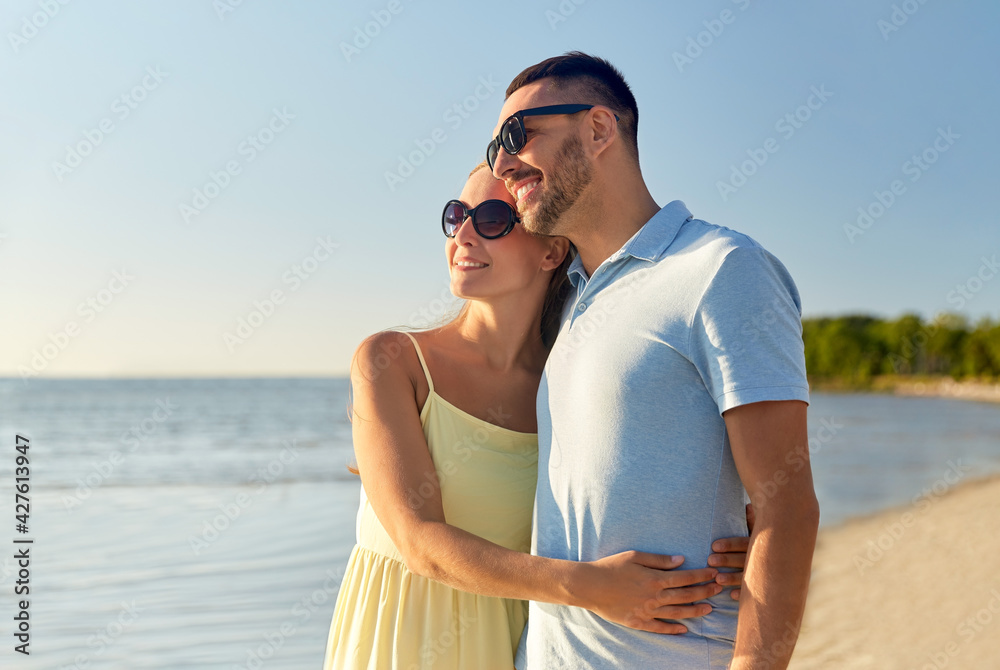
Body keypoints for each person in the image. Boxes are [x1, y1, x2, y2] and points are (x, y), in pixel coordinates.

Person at [322, 162, 753, 670]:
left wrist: (734, 538)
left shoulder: (571, 383)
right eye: (457, 215)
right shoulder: (390, 362)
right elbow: (421, 545)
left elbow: (637, 479)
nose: (462, 234)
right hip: (401, 642)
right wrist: (595, 588)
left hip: (523, 648)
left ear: (552, 250)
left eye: (491, 220)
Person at [487, 53, 820, 670]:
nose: (502, 163)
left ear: (597, 128)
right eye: (494, 149)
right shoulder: (567, 300)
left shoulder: (722, 270)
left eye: (516, 136)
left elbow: (787, 505)